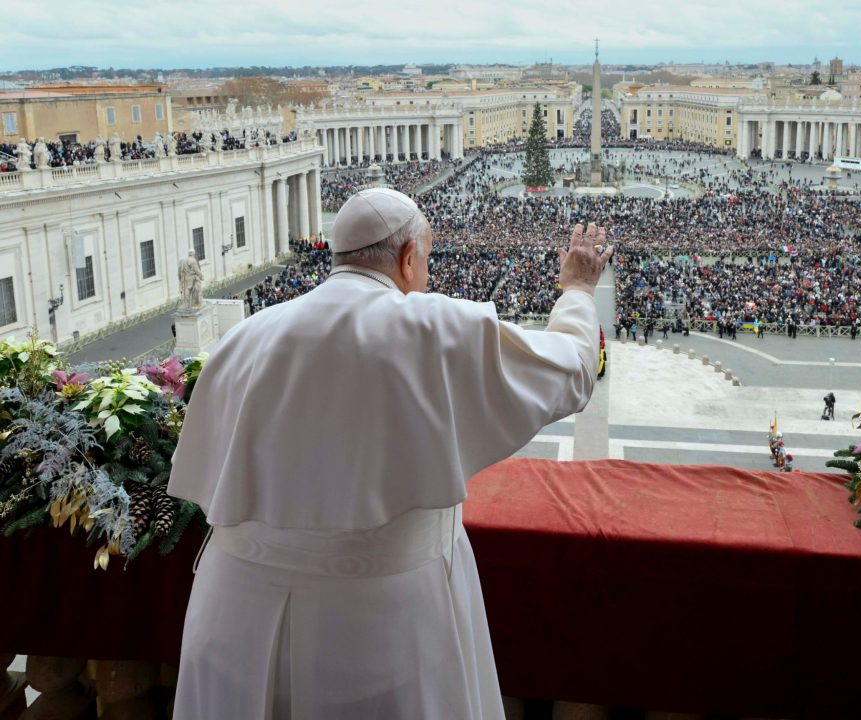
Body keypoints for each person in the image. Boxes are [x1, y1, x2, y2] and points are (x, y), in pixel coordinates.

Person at [168, 187, 613, 720]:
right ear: (408, 259)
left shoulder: (243, 338)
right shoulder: (431, 326)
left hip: (231, 616)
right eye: (424, 260)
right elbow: (571, 369)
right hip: (374, 628)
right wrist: (579, 290)